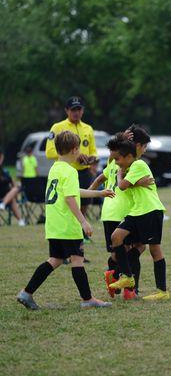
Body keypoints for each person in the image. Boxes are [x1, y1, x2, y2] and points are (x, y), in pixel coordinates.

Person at [17, 131, 114, 310]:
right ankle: (88, 299)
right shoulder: (70, 171)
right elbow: (70, 198)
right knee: (77, 259)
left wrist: (98, 193)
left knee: (55, 259)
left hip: (55, 224)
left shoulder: (55, 168)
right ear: (75, 149)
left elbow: (73, 192)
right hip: (67, 224)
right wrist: (83, 221)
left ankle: (26, 293)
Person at [90, 127, 153, 300]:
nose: (144, 149)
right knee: (138, 247)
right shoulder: (129, 164)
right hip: (124, 211)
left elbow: (100, 178)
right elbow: (124, 183)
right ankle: (129, 288)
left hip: (108, 212)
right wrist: (141, 181)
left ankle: (115, 275)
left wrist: (87, 193)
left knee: (117, 253)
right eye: (144, 146)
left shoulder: (113, 162)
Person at [106, 136, 170, 301]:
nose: (117, 163)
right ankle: (127, 276)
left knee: (154, 250)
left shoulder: (138, 164)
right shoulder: (131, 167)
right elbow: (129, 185)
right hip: (136, 211)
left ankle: (162, 291)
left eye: (118, 159)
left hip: (150, 211)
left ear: (128, 157)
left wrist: (120, 175)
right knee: (116, 237)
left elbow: (122, 186)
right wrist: (136, 182)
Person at [46, 96, 98, 260]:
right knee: (70, 205)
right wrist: (73, 154)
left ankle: (79, 243)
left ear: (82, 110)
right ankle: (71, 249)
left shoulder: (88, 128)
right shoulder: (58, 127)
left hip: (83, 172)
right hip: (66, 172)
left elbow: (93, 151)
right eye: (73, 109)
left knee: (84, 206)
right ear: (66, 111)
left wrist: (91, 160)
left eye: (79, 109)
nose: (76, 112)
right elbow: (49, 152)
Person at [0, 148, 25, 226]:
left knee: (15, 191)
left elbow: (11, 181)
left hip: (6, 194)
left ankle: (3, 204)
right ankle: (20, 221)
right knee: (12, 198)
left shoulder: (3, 171)